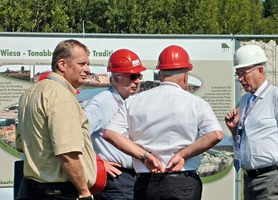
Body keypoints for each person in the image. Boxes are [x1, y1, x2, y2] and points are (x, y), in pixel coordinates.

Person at [103, 45, 223, 200]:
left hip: (147, 182)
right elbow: (216, 134)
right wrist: (182, 154)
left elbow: (110, 133)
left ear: (160, 74)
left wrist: (145, 155)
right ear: (186, 75)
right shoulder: (196, 103)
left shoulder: (134, 102)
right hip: (183, 181)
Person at [15, 39, 106, 200]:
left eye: (87, 64)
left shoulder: (31, 93)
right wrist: (84, 192)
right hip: (59, 191)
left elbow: (21, 145)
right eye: (82, 64)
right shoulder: (61, 97)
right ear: (62, 65)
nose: (87, 69)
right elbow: (67, 152)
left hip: (33, 188)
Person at [225, 44, 278, 200]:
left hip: (270, 179)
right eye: (237, 74)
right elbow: (245, 140)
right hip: (250, 178)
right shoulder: (245, 100)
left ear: (260, 71)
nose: (240, 79)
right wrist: (234, 129)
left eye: (243, 73)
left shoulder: (277, 96)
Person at [83, 49, 146, 200]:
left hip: (134, 177)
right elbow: (76, 135)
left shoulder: (132, 102)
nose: (137, 81)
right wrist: (97, 162)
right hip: (115, 180)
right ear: (116, 78)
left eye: (139, 76)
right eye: (132, 76)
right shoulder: (101, 102)